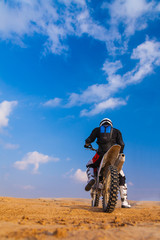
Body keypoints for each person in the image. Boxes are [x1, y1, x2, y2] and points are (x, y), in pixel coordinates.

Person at [84, 118, 131, 208]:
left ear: (101, 124)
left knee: (90, 164)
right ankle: (124, 201)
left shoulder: (97, 130)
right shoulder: (117, 131)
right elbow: (122, 143)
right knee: (121, 175)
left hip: (100, 154)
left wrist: (87, 143)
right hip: (114, 154)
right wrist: (120, 152)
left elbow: (89, 139)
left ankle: (92, 178)